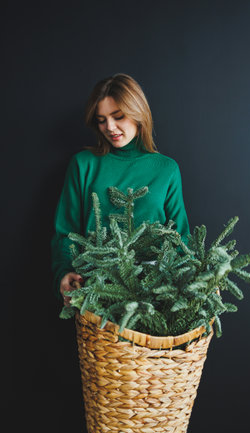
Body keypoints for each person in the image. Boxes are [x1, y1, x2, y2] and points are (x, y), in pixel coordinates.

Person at [51, 73, 190, 306]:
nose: (110, 128)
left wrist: (196, 283)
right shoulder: (84, 164)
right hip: (96, 292)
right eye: (101, 120)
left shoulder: (166, 169)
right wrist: (64, 273)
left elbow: (180, 237)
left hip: (155, 295)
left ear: (138, 114)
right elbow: (66, 231)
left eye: (118, 117)